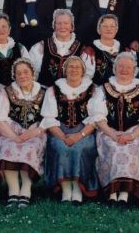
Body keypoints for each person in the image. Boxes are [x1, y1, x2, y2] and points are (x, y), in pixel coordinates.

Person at [87, 52, 139, 207]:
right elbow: (99, 118)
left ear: (134, 70)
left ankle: (124, 193)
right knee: (115, 147)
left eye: (128, 67)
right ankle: (112, 192)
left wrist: (131, 136)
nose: (124, 70)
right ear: (115, 68)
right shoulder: (103, 89)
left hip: (136, 132)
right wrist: (113, 135)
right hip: (109, 131)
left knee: (129, 149)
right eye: (121, 66)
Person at [41, 56, 99, 203]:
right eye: (70, 67)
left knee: (80, 148)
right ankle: (66, 188)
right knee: (60, 147)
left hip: (84, 131)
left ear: (83, 71)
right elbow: (49, 118)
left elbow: (96, 118)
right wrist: (63, 136)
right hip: (59, 131)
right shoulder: (53, 90)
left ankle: (78, 187)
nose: (74, 70)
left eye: (77, 67)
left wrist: (79, 135)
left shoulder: (93, 90)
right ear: (64, 70)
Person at [0, 58, 47, 207]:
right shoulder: (6, 92)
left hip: (35, 132)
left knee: (29, 148)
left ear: (32, 74)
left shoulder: (44, 91)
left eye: (26, 72)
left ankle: (26, 190)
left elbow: (49, 118)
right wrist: (14, 137)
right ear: (14, 75)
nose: (22, 76)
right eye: (18, 73)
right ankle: (13, 190)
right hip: (10, 131)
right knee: (8, 147)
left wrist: (36, 131)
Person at [29, 9, 88, 87]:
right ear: (54, 26)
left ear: (72, 26)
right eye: (59, 23)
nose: (62, 26)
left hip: (73, 95)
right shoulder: (40, 47)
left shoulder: (84, 50)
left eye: (66, 23)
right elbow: (31, 74)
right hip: (46, 94)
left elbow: (86, 77)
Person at [84, 14, 131, 85]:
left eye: (112, 26)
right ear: (99, 29)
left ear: (116, 30)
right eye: (105, 26)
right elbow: (87, 78)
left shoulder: (125, 50)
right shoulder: (90, 50)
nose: (109, 29)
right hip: (99, 90)